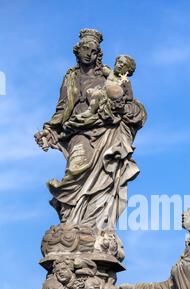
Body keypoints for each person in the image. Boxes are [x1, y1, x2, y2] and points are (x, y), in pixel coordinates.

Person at [35, 29, 146, 230]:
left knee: (103, 179)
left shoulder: (109, 77)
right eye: (85, 49)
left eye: (93, 51)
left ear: (98, 54)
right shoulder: (71, 78)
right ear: (77, 51)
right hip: (79, 132)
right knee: (75, 170)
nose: (88, 53)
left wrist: (120, 107)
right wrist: (49, 129)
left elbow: (133, 107)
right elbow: (62, 109)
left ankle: (92, 227)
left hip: (104, 133)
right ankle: (70, 221)